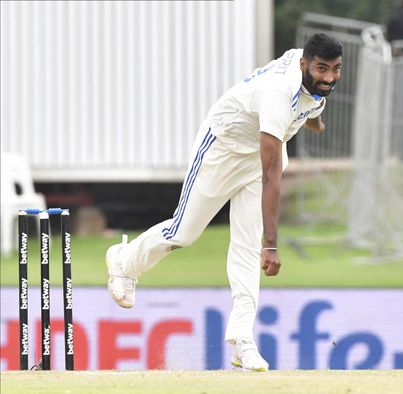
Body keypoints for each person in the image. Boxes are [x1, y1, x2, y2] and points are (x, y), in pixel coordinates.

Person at [105, 33, 343, 371]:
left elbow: (313, 102)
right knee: (182, 233)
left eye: (336, 70)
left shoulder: (309, 69)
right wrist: (272, 245)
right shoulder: (279, 95)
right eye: (322, 69)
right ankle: (125, 261)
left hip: (256, 156)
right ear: (305, 64)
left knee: (246, 247)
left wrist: (317, 121)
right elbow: (272, 174)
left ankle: (243, 339)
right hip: (223, 148)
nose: (330, 77)